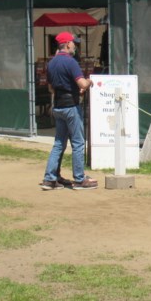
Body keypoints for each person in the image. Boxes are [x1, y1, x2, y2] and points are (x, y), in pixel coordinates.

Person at [40, 31, 99, 191]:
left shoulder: (51, 63)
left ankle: (50, 179)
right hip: (71, 107)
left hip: (58, 105)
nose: (75, 46)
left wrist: (70, 89)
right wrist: (88, 82)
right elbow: (82, 84)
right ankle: (80, 179)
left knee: (59, 143)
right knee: (78, 143)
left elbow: (51, 88)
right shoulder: (71, 62)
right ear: (67, 44)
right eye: (74, 43)